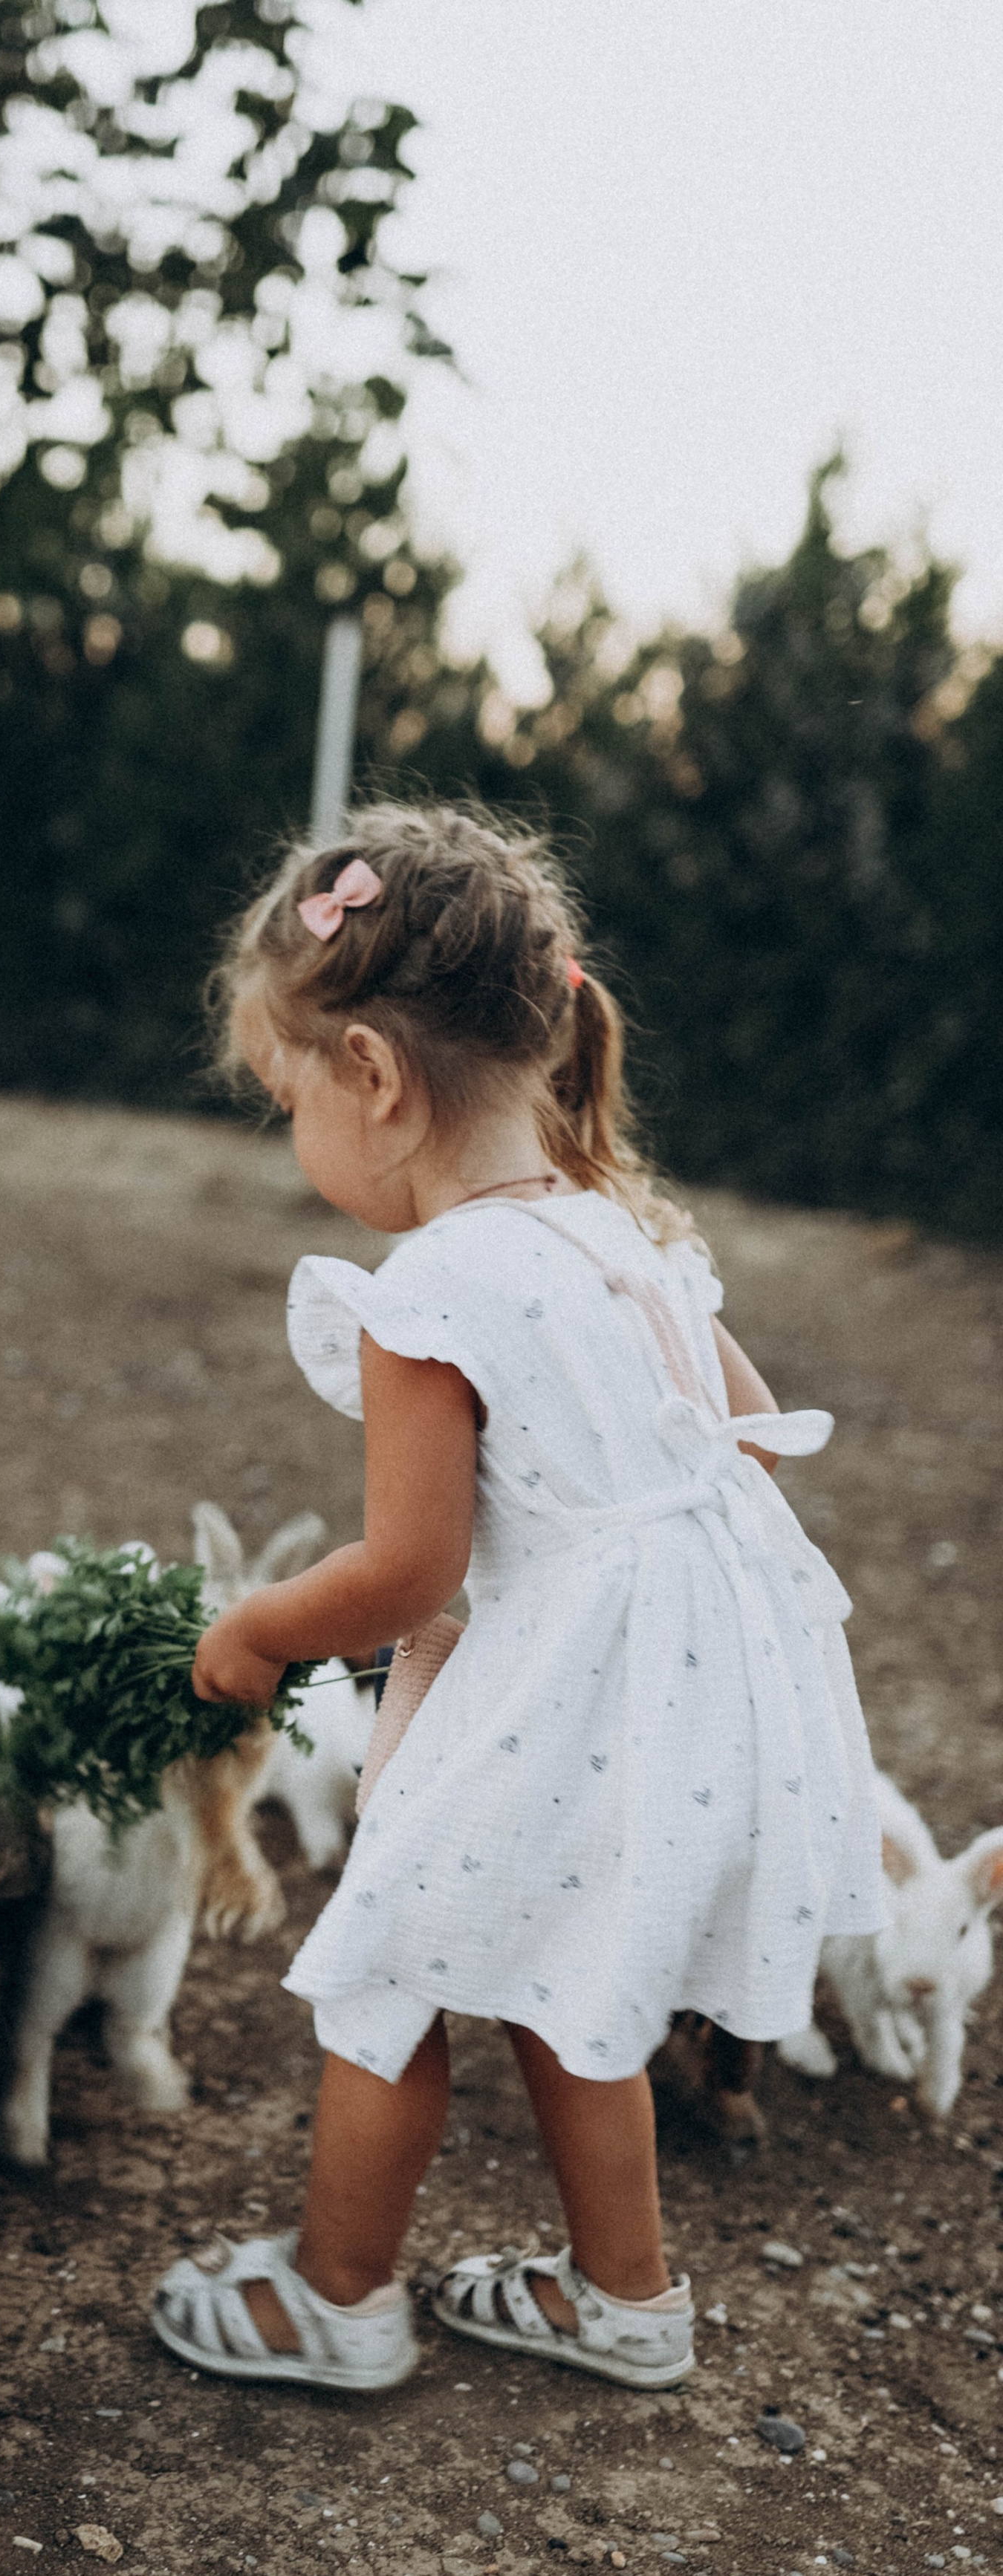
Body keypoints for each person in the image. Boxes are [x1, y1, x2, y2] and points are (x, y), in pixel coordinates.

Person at [150, 803, 882, 2394]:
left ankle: (337, 2299)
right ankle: (625, 2295)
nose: (292, 1137)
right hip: (690, 1685)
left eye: (287, 1098)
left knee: (388, 1972)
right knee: (572, 1974)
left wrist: (254, 1632)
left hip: (576, 1683)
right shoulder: (614, 1228)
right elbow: (746, 1435)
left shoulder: (432, 1287)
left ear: (370, 1074)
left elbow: (403, 1572)